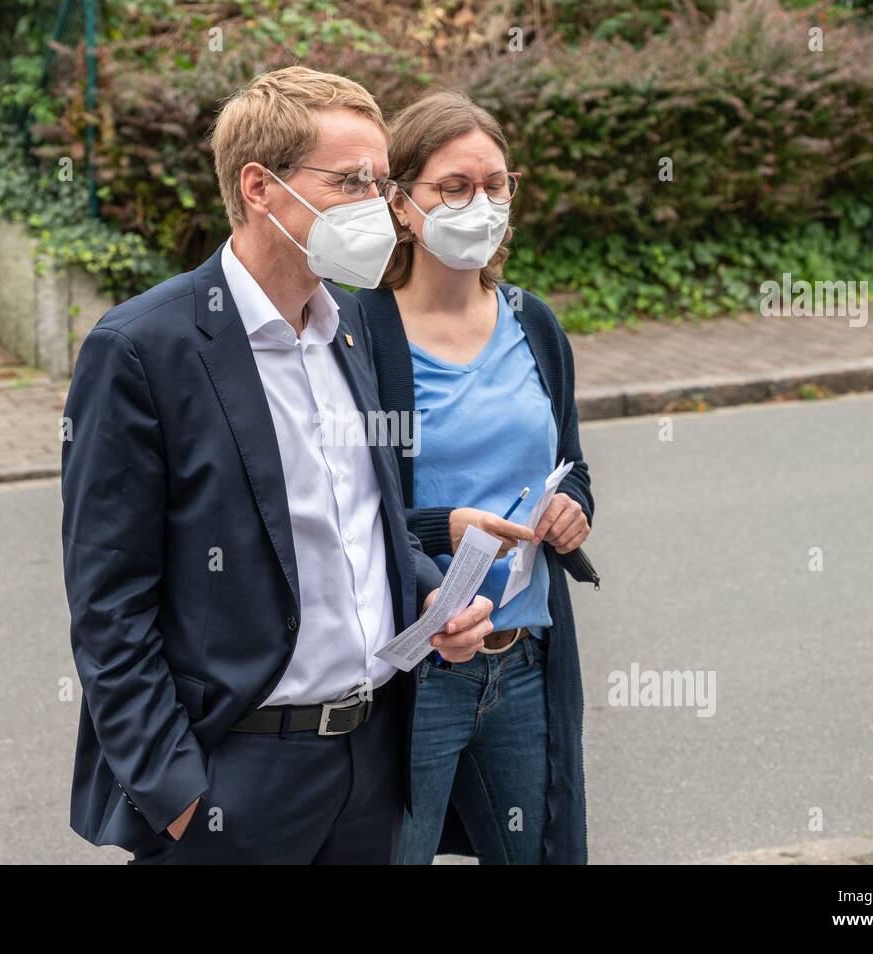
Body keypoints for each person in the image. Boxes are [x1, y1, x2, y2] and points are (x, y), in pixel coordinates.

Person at [60, 67, 494, 865]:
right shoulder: (144, 349)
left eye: (382, 180)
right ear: (260, 186)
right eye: (352, 181)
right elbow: (107, 601)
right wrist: (177, 793)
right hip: (238, 778)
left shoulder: (356, 324)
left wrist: (431, 597)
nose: (379, 205)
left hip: (369, 764)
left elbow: (367, 521)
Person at [356, 91, 596, 864]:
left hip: (524, 659)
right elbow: (344, 509)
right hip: (418, 669)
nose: (480, 204)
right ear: (400, 203)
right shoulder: (358, 335)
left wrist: (573, 509)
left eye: (495, 185)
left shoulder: (534, 323)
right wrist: (443, 529)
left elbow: (573, 464)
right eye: (453, 188)